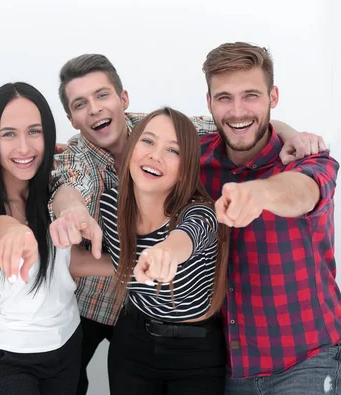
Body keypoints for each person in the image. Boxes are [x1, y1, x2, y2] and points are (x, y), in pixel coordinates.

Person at [48, 53, 327, 394]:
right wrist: (73, 213)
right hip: (106, 308)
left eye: (102, 95)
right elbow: (69, 186)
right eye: (81, 104)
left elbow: (239, 124)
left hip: (198, 333)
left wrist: (291, 134)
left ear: (123, 99)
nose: (94, 109)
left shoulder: (165, 131)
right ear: (71, 118)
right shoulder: (84, 160)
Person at [199, 42, 340, 394]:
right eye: (224, 98)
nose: (237, 110)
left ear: (272, 96)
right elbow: (138, 129)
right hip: (232, 371)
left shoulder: (308, 159)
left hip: (308, 361)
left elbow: (304, 192)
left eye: (251, 96)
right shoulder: (196, 160)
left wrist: (260, 193)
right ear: (209, 102)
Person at [0, 82, 111, 394]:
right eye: (9, 134)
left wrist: (133, 264)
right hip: (5, 358)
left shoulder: (53, 194)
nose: (24, 147)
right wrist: (12, 231)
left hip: (67, 343)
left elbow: (63, 262)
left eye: (34, 132)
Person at [102, 107, 229, 394]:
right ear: (132, 147)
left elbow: (185, 239)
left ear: (187, 168)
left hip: (196, 353)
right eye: (147, 141)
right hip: (132, 343)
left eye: (173, 150)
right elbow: (118, 261)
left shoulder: (201, 213)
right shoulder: (111, 205)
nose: (155, 156)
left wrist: (166, 252)